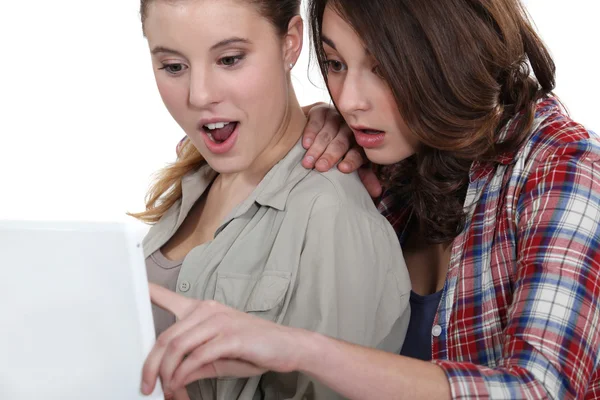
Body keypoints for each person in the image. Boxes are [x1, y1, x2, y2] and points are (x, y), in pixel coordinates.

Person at [141, 0, 600, 399]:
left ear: (453, 51)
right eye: (336, 64)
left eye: (382, 68)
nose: (350, 101)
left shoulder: (565, 167)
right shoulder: (378, 155)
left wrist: (299, 348)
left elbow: (540, 389)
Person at [132, 0, 411, 399]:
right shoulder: (195, 178)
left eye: (229, 59)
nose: (199, 95)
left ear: (290, 44)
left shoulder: (328, 213)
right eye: (174, 67)